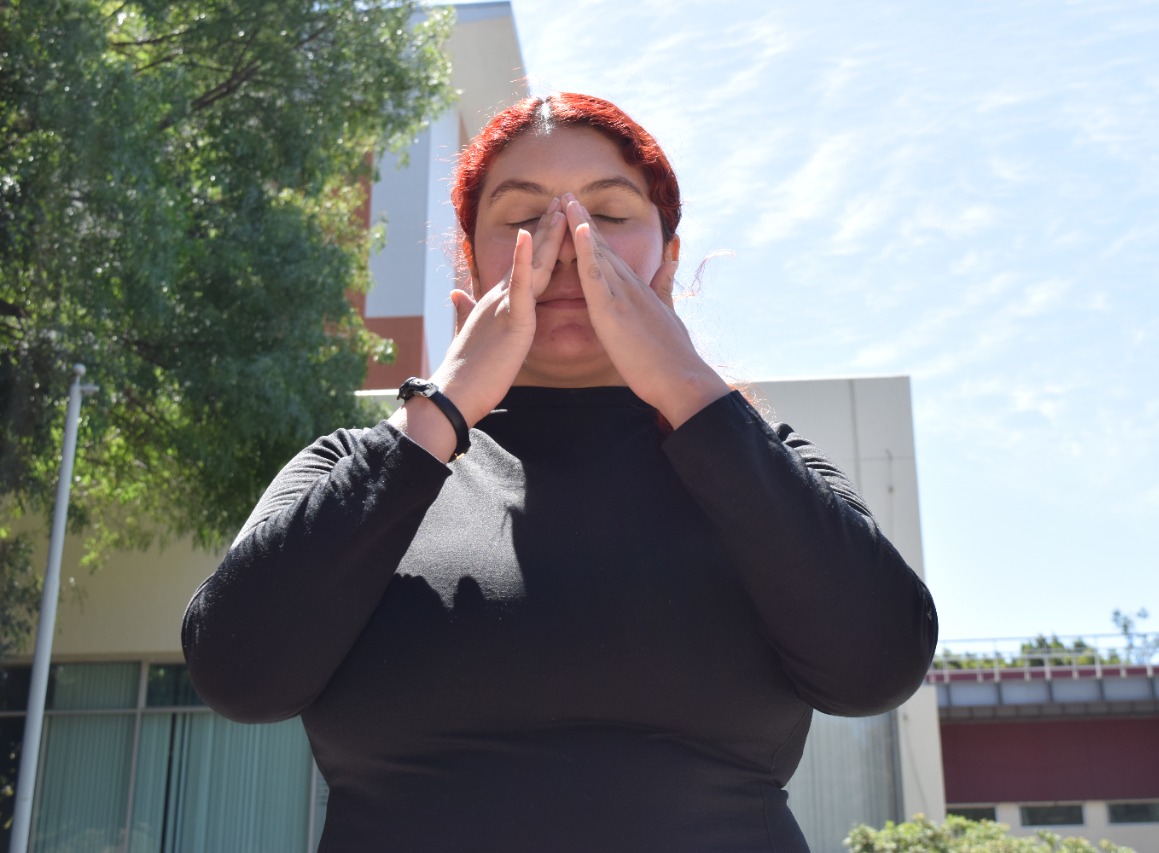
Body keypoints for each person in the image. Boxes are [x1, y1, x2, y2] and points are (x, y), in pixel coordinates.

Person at [182, 93, 938, 852]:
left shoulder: (764, 463)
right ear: (470, 262)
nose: (571, 243)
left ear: (669, 258)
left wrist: (688, 386)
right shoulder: (354, 468)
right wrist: (441, 409)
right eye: (522, 217)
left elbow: (876, 667)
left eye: (608, 214)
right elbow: (240, 674)